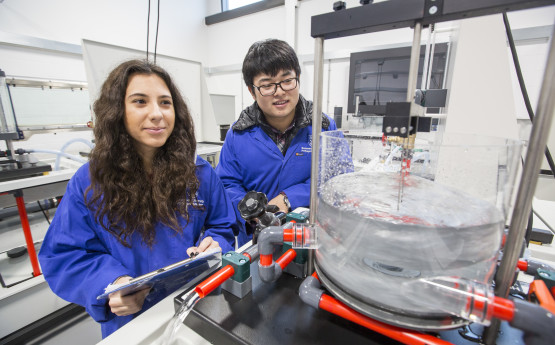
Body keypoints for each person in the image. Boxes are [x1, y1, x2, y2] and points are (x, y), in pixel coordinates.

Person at [38, 59, 236, 338]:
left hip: (197, 304)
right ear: (118, 111)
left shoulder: (199, 173)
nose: (157, 114)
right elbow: (65, 256)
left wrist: (216, 242)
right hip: (132, 322)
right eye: (140, 101)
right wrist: (112, 283)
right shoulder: (90, 182)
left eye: (165, 103)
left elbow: (225, 225)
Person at [216, 39, 337, 246]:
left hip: (310, 238)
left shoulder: (322, 127)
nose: (279, 91)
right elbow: (226, 184)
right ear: (252, 90)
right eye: (267, 85)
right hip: (258, 242)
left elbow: (336, 178)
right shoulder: (238, 135)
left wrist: (289, 198)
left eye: (287, 80)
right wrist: (249, 208)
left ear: (297, 79)